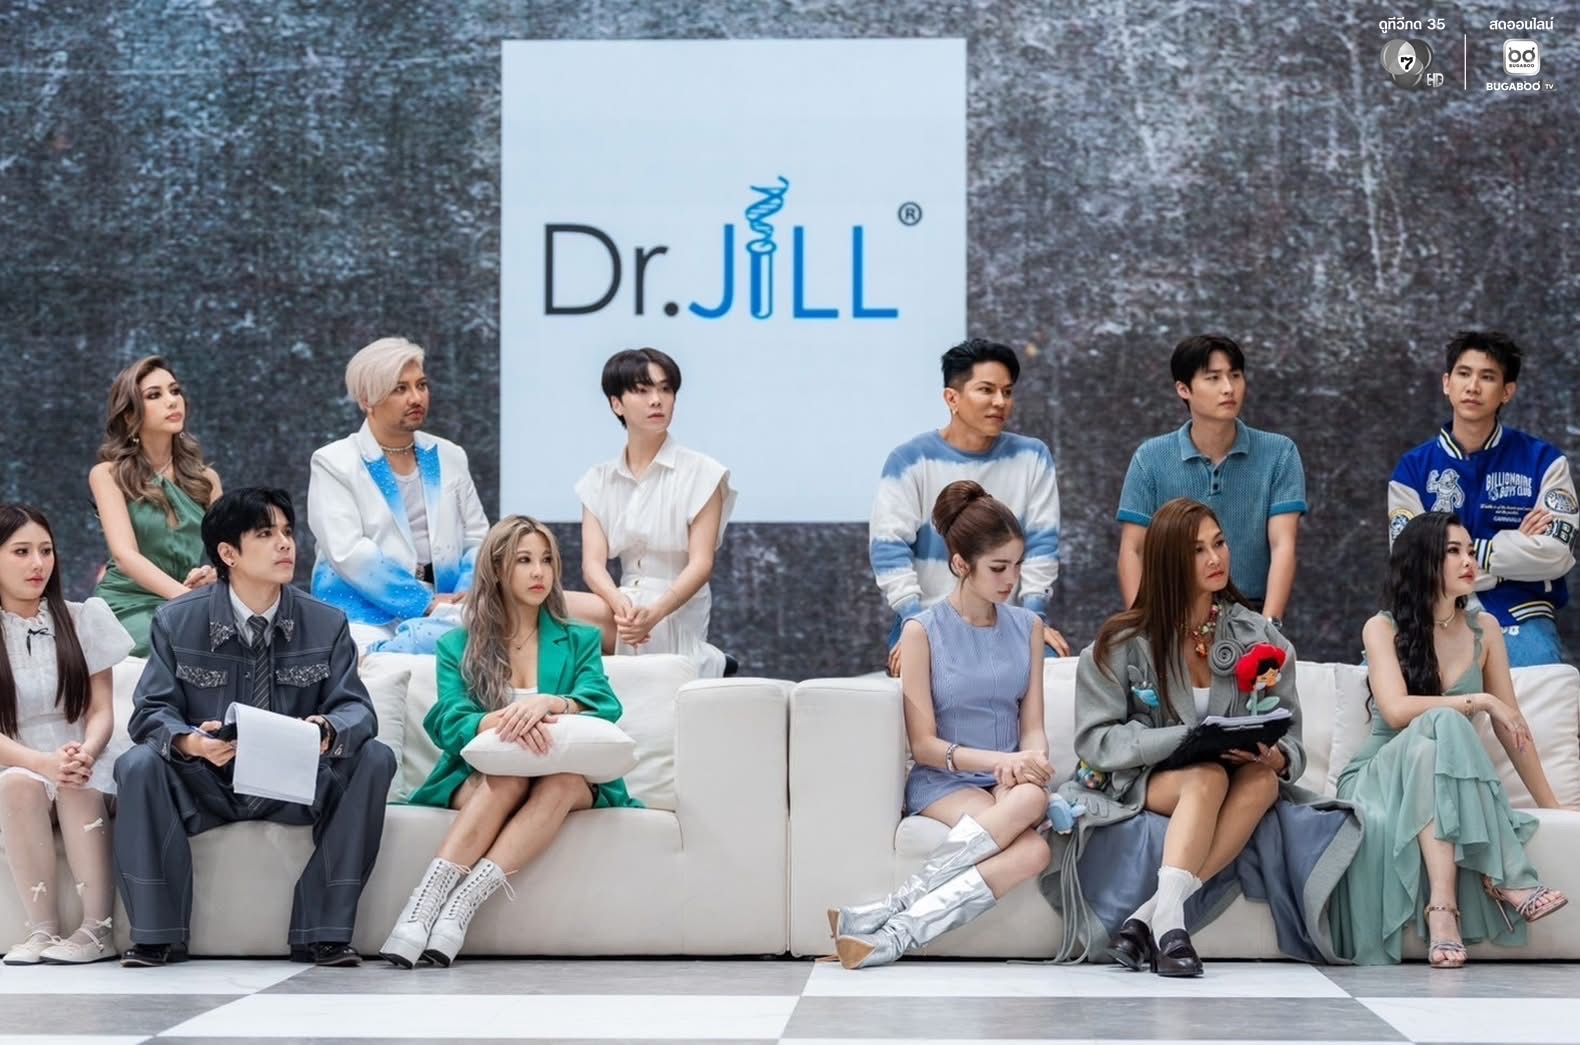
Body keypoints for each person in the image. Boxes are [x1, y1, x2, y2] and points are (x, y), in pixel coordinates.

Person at [1043, 498, 1357, 977]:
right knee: (1205, 776)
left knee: (1263, 782)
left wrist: (1276, 757)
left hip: (1241, 776)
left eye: (1220, 543)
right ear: (1169, 560)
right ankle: (1170, 925)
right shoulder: (1121, 643)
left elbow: (1291, 735)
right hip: (1146, 780)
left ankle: (1151, 917)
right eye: (1198, 550)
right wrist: (1181, 739)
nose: (1216, 558)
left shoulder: (1259, 637)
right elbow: (1097, 740)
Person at [112, 488, 396, 967]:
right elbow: (151, 711)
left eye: (287, 532)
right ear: (228, 554)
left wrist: (325, 729)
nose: (285, 544)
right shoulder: (176, 621)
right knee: (138, 764)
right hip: (207, 783)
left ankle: (324, 933)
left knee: (375, 756)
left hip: (294, 784)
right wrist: (192, 742)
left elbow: (357, 710)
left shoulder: (326, 623)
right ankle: (156, 936)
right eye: (265, 534)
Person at [379, 515, 640, 967]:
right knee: (508, 779)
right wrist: (499, 721)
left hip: (566, 778)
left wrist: (552, 703)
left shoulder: (579, 639)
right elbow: (447, 720)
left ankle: (459, 908)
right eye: (524, 560)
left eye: (546, 560)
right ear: (498, 568)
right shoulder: (457, 645)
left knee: (560, 782)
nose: (539, 572)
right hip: (486, 776)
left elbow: (603, 702)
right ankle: (420, 911)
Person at [1330, 511, 1570, 967]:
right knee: (1443, 720)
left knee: (1442, 732)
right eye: (1454, 551)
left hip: (1437, 774)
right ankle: (1509, 877)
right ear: (1424, 561)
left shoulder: (1486, 630)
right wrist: (1480, 700)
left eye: (1471, 551)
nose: (1469, 561)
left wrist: (1551, 803)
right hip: (1380, 777)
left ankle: (1443, 911)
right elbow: (1396, 710)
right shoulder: (1382, 628)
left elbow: (1512, 728)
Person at [830, 481, 1052, 968]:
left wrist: (1033, 759)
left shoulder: (1028, 628)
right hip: (945, 780)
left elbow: (1032, 723)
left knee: (1033, 812)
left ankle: (890, 925)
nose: (1011, 579)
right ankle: (895, 921)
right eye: (998, 567)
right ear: (960, 564)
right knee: (1034, 846)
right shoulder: (921, 632)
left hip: (1008, 777)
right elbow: (925, 745)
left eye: (1017, 565)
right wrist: (1003, 763)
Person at [870, 339, 1068, 675]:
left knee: (1054, 673)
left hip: (1010, 624)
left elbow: (1042, 547)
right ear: (952, 398)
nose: (1000, 402)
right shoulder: (909, 460)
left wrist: (1033, 619)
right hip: (928, 620)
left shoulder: (1032, 457)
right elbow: (889, 551)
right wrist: (915, 623)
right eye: (986, 390)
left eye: (1007, 391)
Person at [1387, 331, 1577, 667]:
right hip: (1433, 617)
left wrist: (1456, 554)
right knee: (1373, 683)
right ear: (1447, 383)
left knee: (1543, 687)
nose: (1473, 387)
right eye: (1464, 373)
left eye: (1487, 377)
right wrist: (1512, 550)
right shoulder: (1413, 470)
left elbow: (1557, 554)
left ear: (1507, 391)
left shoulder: (1544, 461)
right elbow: (1412, 563)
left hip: (1520, 616)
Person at [0, 505, 134, 965]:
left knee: (77, 783)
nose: (38, 563)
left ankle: (97, 931)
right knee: (17, 784)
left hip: (84, 753)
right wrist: (42, 764)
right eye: (21, 552)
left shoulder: (82, 619)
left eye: (46, 550)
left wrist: (85, 752)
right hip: (16, 761)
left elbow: (101, 711)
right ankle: (42, 931)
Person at [308, 337, 490, 654]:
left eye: (421, 385)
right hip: (361, 613)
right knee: (386, 667)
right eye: (400, 389)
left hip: (449, 609)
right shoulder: (334, 462)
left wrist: (464, 597)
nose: (416, 398)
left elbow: (478, 537)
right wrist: (424, 603)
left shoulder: (450, 455)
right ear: (367, 399)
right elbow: (348, 552)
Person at [1117, 334, 1305, 626]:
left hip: (1250, 612)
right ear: (1183, 389)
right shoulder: (1150, 458)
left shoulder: (1279, 453)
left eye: (1235, 375)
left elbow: (1283, 545)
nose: (1228, 388)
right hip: (1172, 612)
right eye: (1213, 378)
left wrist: (1269, 627)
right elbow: (1133, 550)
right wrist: (1145, 627)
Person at [575, 348, 735, 676]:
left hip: (674, 612)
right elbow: (592, 565)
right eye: (642, 390)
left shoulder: (703, 472)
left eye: (665, 389)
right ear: (616, 404)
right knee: (525, 604)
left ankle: (705, 659)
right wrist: (617, 602)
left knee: (548, 612)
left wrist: (655, 612)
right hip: (621, 608)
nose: (656, 400)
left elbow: (702, 564)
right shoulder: (597, 480)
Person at [90, 356, 223, 655]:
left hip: (188, 601)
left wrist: (213, 574)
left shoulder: (206, 480)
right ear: (129, 415)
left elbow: (230, 554)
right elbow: (124, 556)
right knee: (175, 641)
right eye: (154, 395)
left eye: (175, 391)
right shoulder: (108, 474)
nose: (172, 401)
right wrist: (186, 600)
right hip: (128, 605)